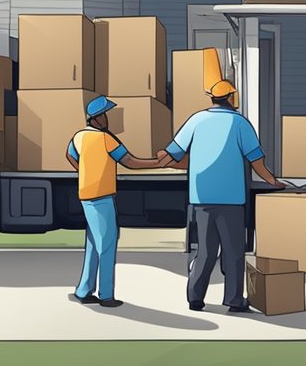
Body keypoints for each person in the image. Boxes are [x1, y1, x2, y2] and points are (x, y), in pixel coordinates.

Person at [156, 80, 284, 313]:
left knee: (205, 251)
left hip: (201, 199)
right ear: (231, 98)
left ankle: (195, 298)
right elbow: (257, 161)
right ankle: (234, 300)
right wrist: (273, 182)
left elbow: (171, 153)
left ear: (213, 99)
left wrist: (155, 161)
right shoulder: (239, 123)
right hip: (231, 200)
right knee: (233, 252)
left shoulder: (196, 120)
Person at [67, 96, 158, 308]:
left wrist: (85, 172)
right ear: (97, 118)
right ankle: (106, 296)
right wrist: (158, 162)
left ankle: (83, 290)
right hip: (102, 197)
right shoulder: (106, 139)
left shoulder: (78, 137)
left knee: (93, 244)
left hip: (86, 195)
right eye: (105, 115)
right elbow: (130, 162)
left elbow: (70, 155)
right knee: (107, 245)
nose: (107, 119)